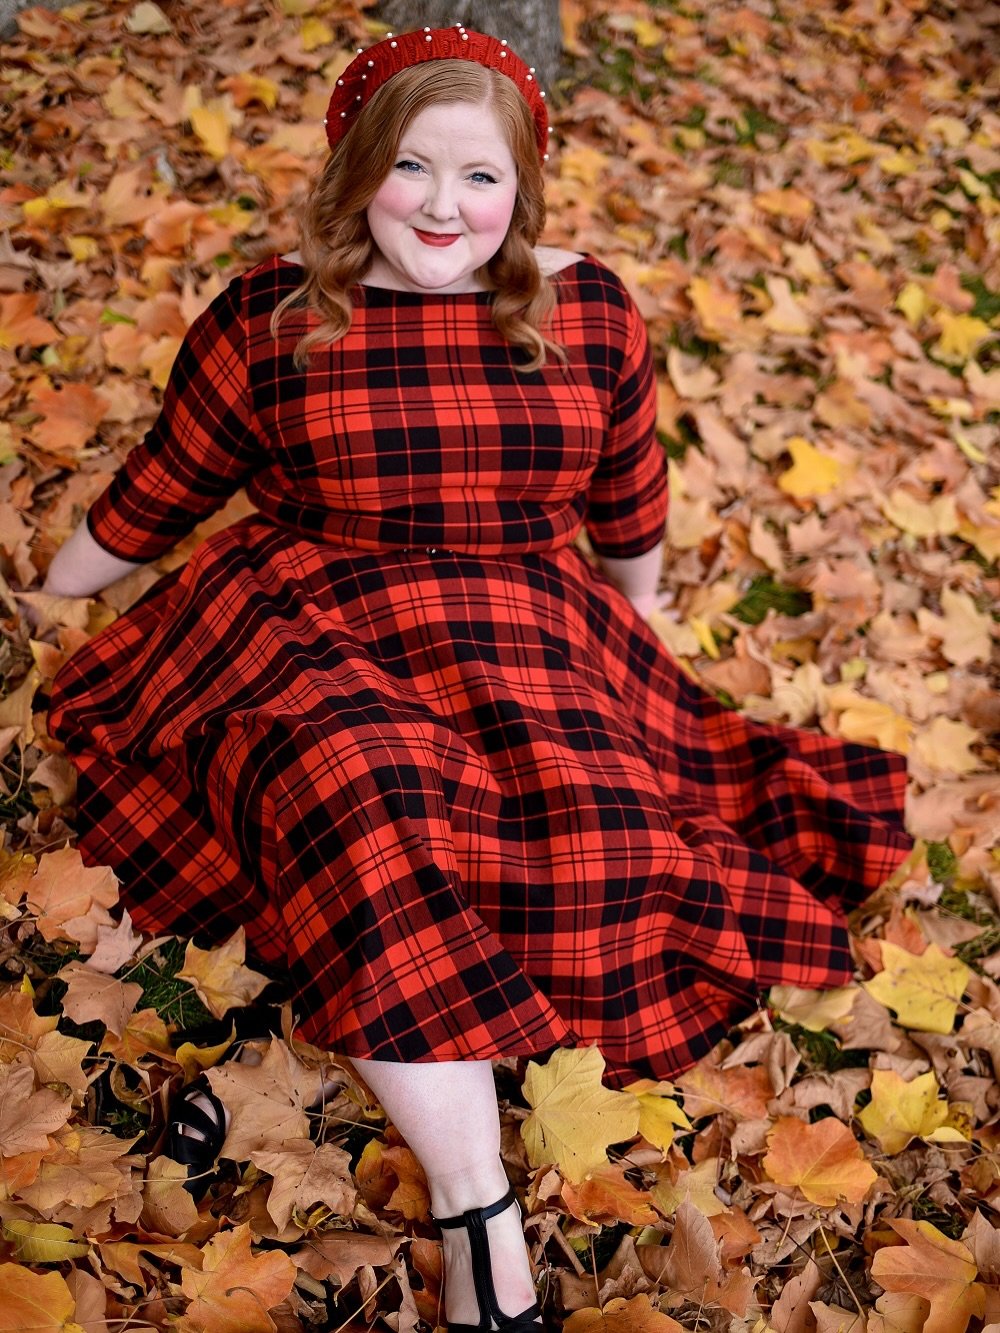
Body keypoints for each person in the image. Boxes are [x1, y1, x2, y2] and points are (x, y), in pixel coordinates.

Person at [44, 24, 913, 1332]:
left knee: (592, 831)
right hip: (307, 606)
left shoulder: (588, 307)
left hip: (522, 613)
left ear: (522, 191)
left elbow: (630, 497)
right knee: (368, 792)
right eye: (409, 169)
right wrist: (57, 582)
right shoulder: (273, 313)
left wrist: (642, 626)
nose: (445, 206)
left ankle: (413, 1037)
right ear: (353, 173)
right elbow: (167, 484)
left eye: (481, 178)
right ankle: (475, 1201)